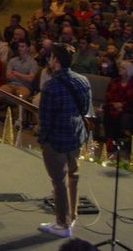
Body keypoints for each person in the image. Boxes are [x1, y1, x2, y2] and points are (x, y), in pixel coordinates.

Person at [37, 43, 92, 239]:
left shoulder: (51, 86)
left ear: (56, 61)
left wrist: (42, 139)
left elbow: (45, 119)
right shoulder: (83, 81)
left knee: (59, 181)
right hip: (76, 135)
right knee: (73, 176)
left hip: (56, 140)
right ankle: (72, 214)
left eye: (51, 57)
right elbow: (85, 108)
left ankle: (62, 223)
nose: (48, 60)